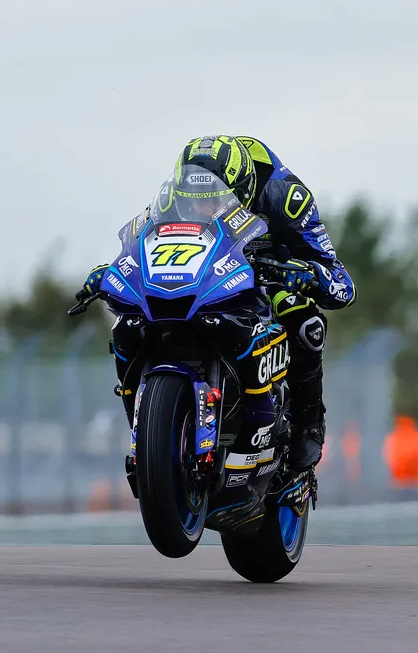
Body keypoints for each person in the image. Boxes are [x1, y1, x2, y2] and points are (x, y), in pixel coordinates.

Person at [74, 135, 356, 471]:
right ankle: (146, 427)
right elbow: (142, 244)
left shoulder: (286, 198)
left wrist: (308, 274)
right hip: (204, 277)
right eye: (194, 203)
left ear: (244, 191)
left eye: (213, 202)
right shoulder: (171, 199)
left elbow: (341, 282)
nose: (203, 210)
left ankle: (308, 424)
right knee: (129, 321)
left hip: (267, 275)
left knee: (302, 317)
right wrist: (114, 270)